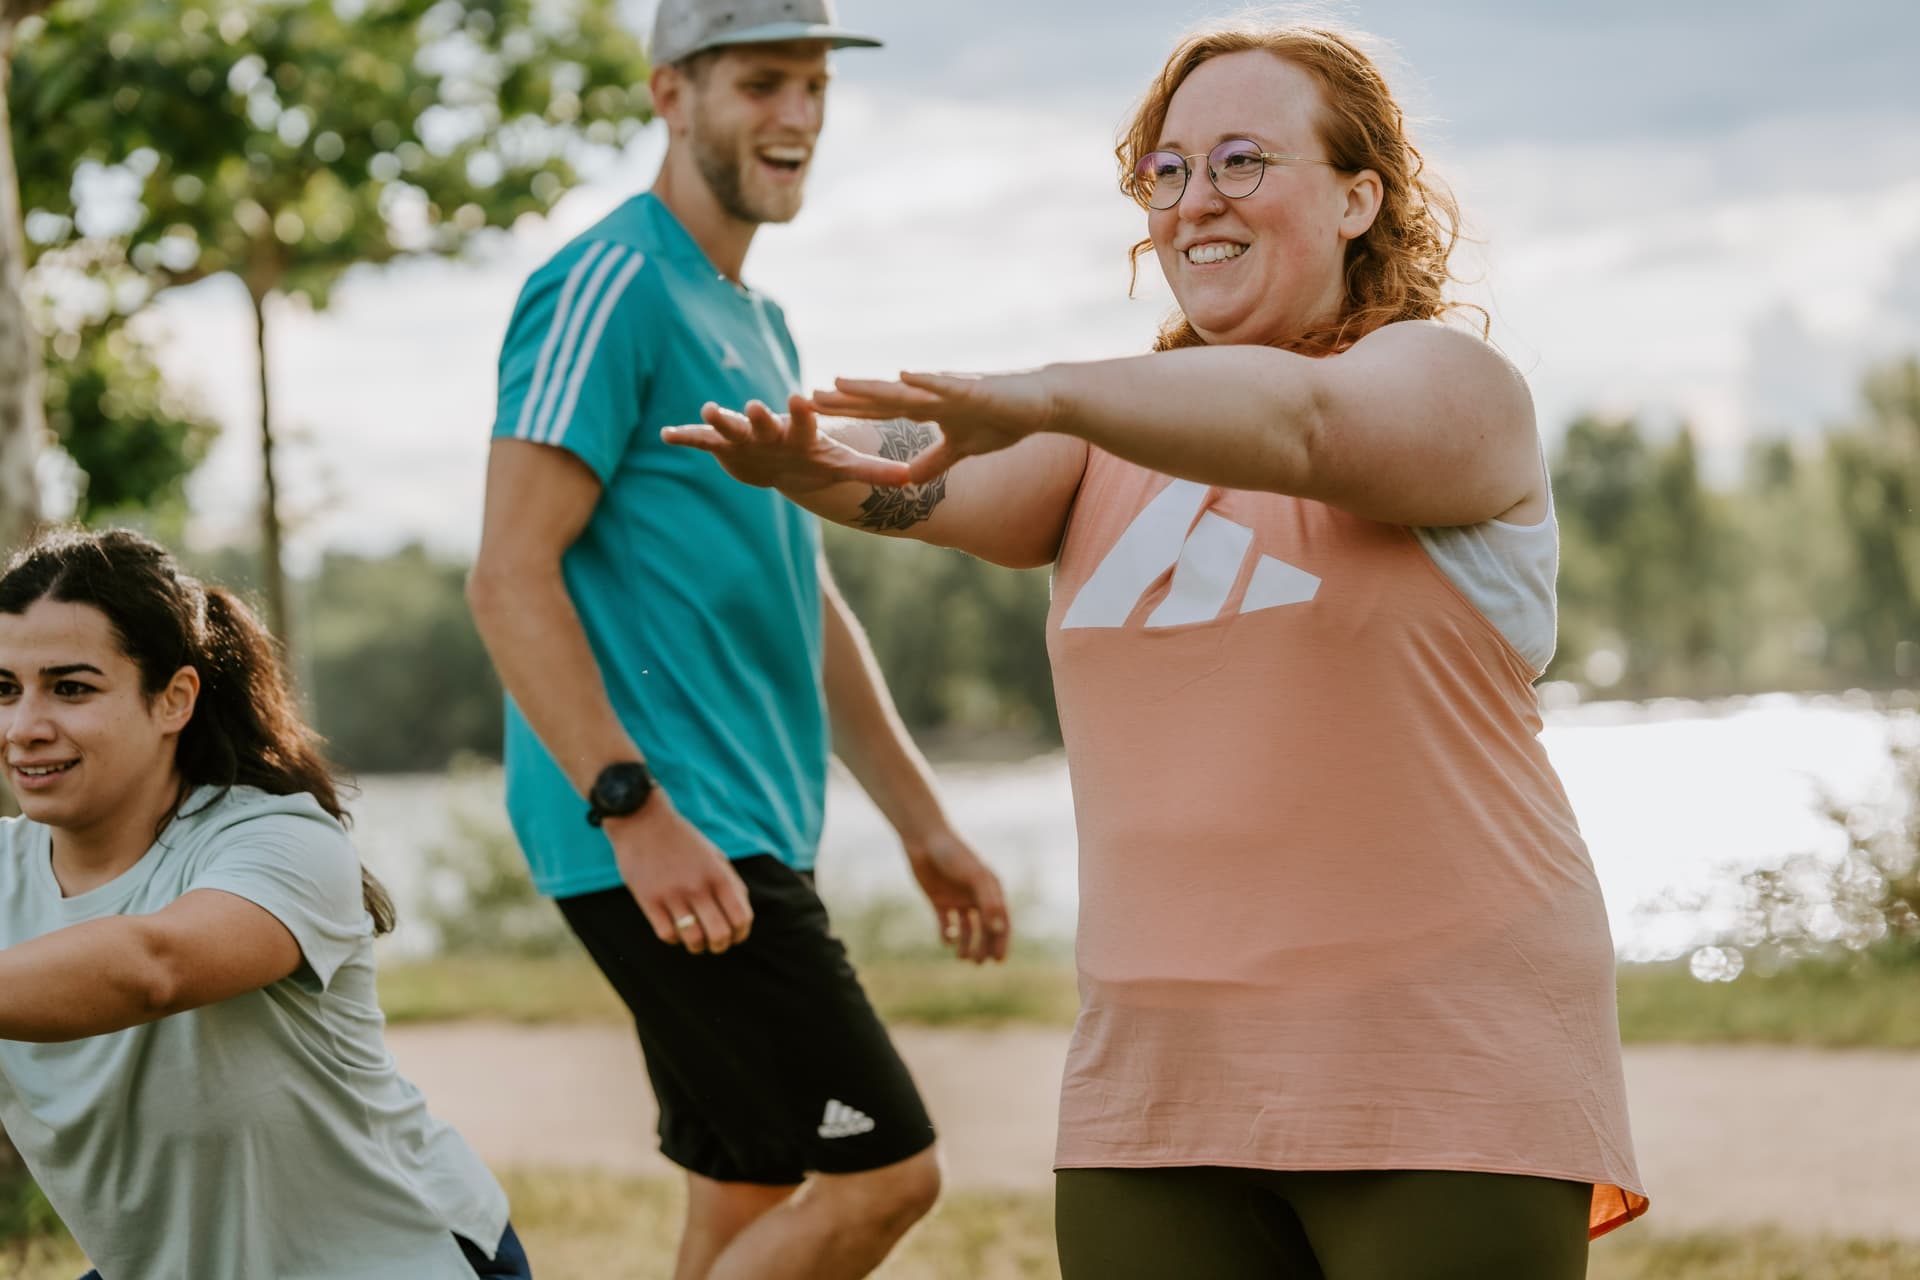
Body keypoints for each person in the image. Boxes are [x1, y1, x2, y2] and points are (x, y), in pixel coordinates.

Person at [665, 16, 1650, 1279]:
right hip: (1157, 1080)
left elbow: (1305, 427)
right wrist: (816, 476)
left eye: (1242, 161)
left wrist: (1049, 388)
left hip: (1436, 1054)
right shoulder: (1107, 440)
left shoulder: (1447, 385)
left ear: (1360, 196)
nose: (1194, 201)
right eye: (1167, 169)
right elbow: (931, 492)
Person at [466, 2, 1012, 1278]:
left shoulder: (757, 326)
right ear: (670, 94)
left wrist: (925, 825)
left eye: (816, 88)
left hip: (746, 820)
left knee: (750, 1182)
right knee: (887, 1173)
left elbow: (803, 598)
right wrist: (632, 806)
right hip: (668, 824)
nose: (799, 117)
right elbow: (508, 572)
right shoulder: (609, 284)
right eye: (764, 83)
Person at [0, 527, 528, 1280]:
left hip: (395, 1259)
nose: (24, 728)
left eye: (72, 688)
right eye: (4, 690)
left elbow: (155, 967)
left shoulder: (277, 841)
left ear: (174, 699)